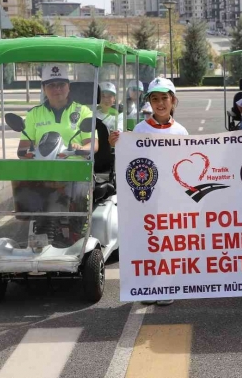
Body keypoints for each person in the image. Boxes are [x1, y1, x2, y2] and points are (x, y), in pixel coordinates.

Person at [110, 77, 187, 305]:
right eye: (155, 99)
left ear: (173, 101)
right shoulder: (139, 130)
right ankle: (148, 287)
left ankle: (167, 287)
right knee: (149, 241)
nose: (160, 103)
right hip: (146, 198)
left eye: (165, 98)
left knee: (169, 242)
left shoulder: (181, 131)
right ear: (149, 103)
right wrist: (116, 143)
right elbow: (130, 162)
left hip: (171, 199)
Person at [15, 64, 98, 246]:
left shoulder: (83, 112)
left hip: (74, 172)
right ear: (44, 88)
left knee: (77, 197)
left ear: (69, 87)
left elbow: (93, 144)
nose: (57, 89)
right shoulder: (34, 115)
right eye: (51, 85)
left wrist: (80, 147)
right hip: (43, 171)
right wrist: (27, 153)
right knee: (28, 194)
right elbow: (23, 147)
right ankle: (41, 231)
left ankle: (78, 231)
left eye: (61, 84)